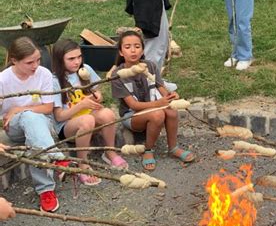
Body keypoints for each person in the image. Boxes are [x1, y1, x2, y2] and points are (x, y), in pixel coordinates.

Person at [0, 37, 69, 212]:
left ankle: (46, 190)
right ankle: (56, 157)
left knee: (33, 128)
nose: (35, 65)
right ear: (14, 60)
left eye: (38, 60)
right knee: (30, 119)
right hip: (14, 127)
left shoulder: (44, 74)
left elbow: (47, 108)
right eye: (29, 62)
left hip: (42, 122)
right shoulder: (2, 80)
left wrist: (18, 108)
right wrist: (17, 113)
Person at [111, 30, 195, 171]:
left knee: (172, 112)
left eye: (137, 46)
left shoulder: (150, 66)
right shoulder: (118, 75)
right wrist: (158, 104)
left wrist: (171, 96)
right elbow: (133, 105)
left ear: (143, 49)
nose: (133, 50)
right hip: (131, 115)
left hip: (152, 108)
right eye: (127, 47)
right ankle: (148, 150)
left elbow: (160, 88)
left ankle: (173, 147)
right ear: (120, 52)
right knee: (158, 114)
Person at [51, 39, 127, 185]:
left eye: (79, 57)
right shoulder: (54, 81)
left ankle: (110, 152)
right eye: (71, 59)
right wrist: (81, 105)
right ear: (60, 60)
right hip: (68, 126)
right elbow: (59, 116)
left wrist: (97, 96)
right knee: (88, 120)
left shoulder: (86, 69)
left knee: (108, 114)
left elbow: (97, 91)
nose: (77, 62)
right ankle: (82, 164)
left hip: (88, 115)